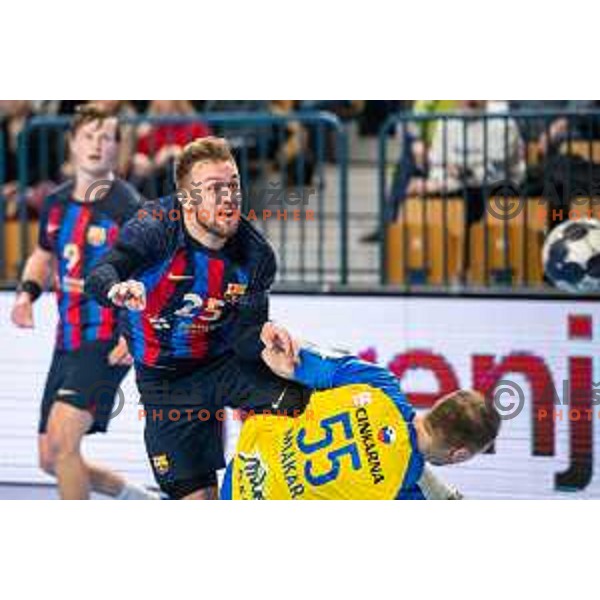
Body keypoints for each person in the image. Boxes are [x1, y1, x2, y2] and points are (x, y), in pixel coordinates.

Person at [85, 136, 308, 500]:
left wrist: (268, 338)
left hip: (223, 362)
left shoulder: (256, 256)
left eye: (234, 184)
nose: (230, 196)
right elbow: (100, 275)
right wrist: (116, 291)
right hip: (165, 380)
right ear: (188, 200)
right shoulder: (155, 227)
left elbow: (247, 339)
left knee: (304, 403)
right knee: (198, 501)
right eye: (215, 188)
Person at [10, 104, 155, 500]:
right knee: (47, 457)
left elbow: (150, 278)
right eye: (88, 136)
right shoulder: (56, 204)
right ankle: (132, 496)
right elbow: (43, 254)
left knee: (63, 439)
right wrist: (27, 293)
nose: (96, 144)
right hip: (66, 341)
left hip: (107, 340)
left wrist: (133, 334)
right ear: (72, 143)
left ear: (117, 148)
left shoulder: (130, 208)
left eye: (106, 137)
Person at [220, 325, 500, 500]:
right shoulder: (404, 487)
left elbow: (290, 361)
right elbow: (407, 462)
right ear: (460, 454)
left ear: (438, 405)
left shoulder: (380, 383)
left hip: (242, 472)